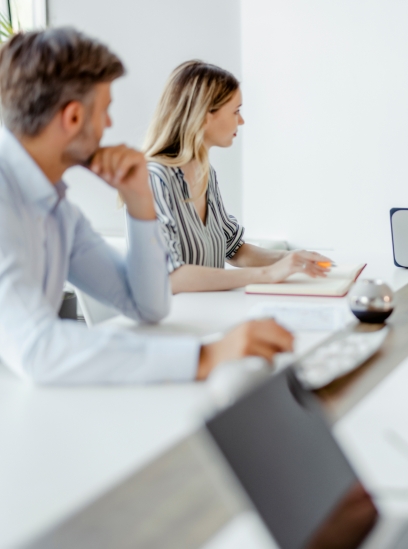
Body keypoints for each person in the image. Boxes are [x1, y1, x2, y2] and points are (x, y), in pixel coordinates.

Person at [0, 28, 292, 384]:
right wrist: (206, 356)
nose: (109, 124)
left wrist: (141, 202)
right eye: (105, 111)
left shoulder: (57, 210)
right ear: (74, 117)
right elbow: (37, 350)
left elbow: (148, 305)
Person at [144, 61, 331, 294]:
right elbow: (171, 276)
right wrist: (269, 274)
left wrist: (293, 259)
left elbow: (235, 250)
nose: (241, 121)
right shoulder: (154, 179)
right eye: (235, 111)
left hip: (208, 313)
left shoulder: (206, 173)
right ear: (204, 116)